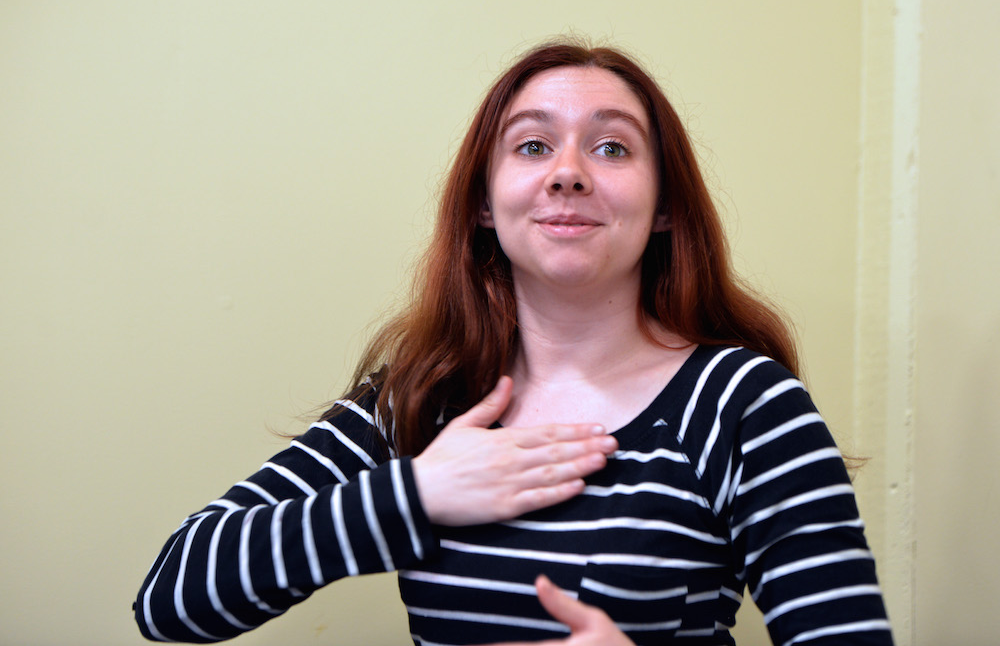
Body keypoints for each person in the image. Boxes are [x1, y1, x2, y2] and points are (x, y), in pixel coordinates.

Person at [134, 41, 894, 645]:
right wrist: (419, 494)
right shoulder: (418, 400)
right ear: (484, 208)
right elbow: (171, 599)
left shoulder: (744, 404)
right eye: (532, 147)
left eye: (612, 149)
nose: (567, 173)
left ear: (664, 208)